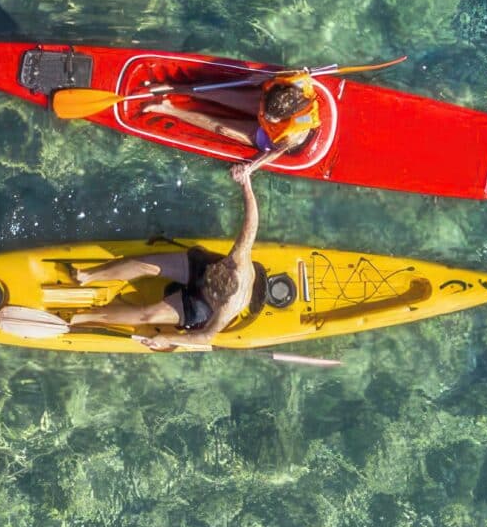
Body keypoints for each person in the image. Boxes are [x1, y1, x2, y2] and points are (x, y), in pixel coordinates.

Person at [67, 160, 263, 351]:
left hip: (200, 303)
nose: (211, 274)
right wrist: (246, 184)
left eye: (212, 279)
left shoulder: (227, 310)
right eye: (216, 270)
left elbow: (205, 337)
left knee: (148, 316)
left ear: (221, 298)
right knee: (145, 265)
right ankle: (87, 276)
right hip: (199, 268)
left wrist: (167, 339)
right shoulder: (237, 261)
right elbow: (251, 224)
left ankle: (85, 317)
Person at [140, 70, 323, 165]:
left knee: (222, 128)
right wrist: (265, 77)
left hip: (270, 137)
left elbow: (275, 153)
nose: (266, 117)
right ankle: (173, 88)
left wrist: (250, 168)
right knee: (224, 94)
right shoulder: (296, 83)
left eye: (271, 117)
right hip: (271, 104)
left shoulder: (294, 132)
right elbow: (285, 76)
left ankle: (166, 108)